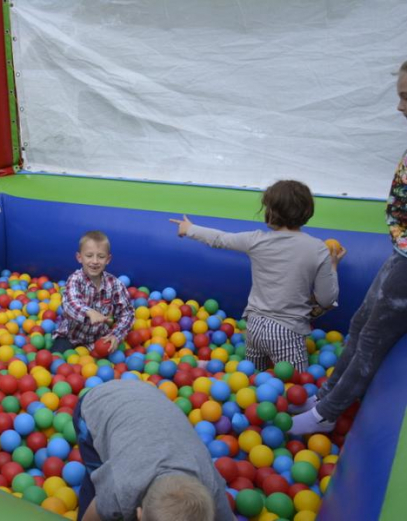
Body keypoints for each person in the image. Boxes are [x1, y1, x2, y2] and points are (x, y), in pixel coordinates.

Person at [289, 61, 407, 435]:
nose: (400, 107)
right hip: (400, 250)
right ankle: (326, 395)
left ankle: (327, 414)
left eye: (405, 97)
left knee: (373, 337)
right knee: (359, 322)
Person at [171, 180, 345, 372]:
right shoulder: (317, 248)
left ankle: (210, 369)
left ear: (271, 212)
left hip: (254, 327)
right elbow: (327, 298)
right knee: (296, 385)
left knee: (253, 380)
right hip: (286, 331)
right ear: (306, 212)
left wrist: (190, 229)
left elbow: (220, 238)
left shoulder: (256, 240)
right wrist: (333, 266)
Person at [72, 380, 233, 521]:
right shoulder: (120, 488)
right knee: (97, 480)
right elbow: (94, 513)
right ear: (139, 514)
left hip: (146, 396)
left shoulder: (211, 486)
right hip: (97, 404)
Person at [51, 230, 134, 355]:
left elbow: (127, 313)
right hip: (70, 336)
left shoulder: (115, 284)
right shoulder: (75, 279)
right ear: (79, 257)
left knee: (106, 369)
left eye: (101, 257)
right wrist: (88, 312)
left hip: (99, 340)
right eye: (89, 256)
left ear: (108, 259)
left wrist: (116, 335)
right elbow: (70, 303)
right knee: (56, 359)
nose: (95, 261)